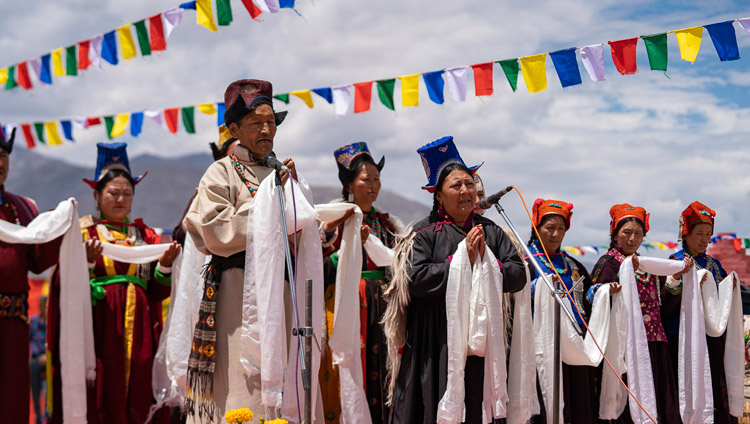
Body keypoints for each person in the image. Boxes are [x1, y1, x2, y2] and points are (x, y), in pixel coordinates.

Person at [185, 78, 310, 423]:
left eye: (271, 121)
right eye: (256, 122)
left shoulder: (282, 173)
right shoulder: (220, 173)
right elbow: (215, 232)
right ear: (234, 129)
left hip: (282, 293)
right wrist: (272, 204)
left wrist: (297, 201)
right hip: (238, 293)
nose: (266, 128)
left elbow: (300, 234)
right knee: (244, 387)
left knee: (281, 386)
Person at [383, 136, 527, 424]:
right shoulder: (423, 234)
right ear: (438, 195)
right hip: (434, 339)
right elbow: (415, 279)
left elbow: (518, 275)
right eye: (456, 185)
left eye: (469, 184)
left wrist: (488, 262)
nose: (465, 191)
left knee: (475, 404)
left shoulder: (492, 232)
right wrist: (461, 261)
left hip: (479, 339)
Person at [47, 142, 181, 423]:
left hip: (142, 332)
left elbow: (157, 292)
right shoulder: (82, 234)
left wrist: (165, 265)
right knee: (103, 387)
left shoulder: (147, 238)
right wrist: (87, 263)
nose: (121, 199)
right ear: (96, 195)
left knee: (141, 385)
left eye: (127, 194)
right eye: (113, 193)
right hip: (99, 328)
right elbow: (63, 283)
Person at [318, 142, 403, 424]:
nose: (374, 186)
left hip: (384, 310)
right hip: (346, 309)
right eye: (366, 179)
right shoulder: (333, 222)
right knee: (351, 377)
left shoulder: (389, 224)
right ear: (350, 183)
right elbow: (318, 271)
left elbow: (398, 267)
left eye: (377, 179)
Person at [589, 204, 687, 424]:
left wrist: (675, 278)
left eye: (638, 234)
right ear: (614, 233)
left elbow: (664, 307)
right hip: (625, 347)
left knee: (657, 401)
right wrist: (607, 292)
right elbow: (595, 304)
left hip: (654, 345)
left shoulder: (647, 266)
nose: (632, 239)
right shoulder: (608, 264)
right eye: (627, 232)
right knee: (628, 402)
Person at [0, 125, 61, 424]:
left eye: (3, 156)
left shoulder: (23, 207)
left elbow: (36, 264)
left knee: (12, 398)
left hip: (15, 322)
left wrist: (54, 227)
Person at [662, 201, 739, 423]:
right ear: (685, 234)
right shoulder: (674, 263)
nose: (704, 239)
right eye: (699, 234)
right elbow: (664, 305)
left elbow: (722, 304)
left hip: (712, 342)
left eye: (708, 234)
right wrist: (677, 280)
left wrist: (729, 290)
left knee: (715, 392)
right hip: (682, 342)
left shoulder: (715, 266)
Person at [526, 199, 597, 424]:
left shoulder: (573, 265)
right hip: (541, 345)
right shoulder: (526, 263)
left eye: (561, 229)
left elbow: (587, 300)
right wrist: (537, 289)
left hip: (575, 344)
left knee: (579, 403)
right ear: (536, 228)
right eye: (549, 228)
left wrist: (600, 293)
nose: (555, 234)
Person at [173, 124, 239, 246]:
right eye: (236, 156)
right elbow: (179, 237)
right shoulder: (205, 192)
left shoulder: (262, 186)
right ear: (220, 160)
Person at [30, 294, 48, 424]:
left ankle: (48, 417)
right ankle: (38, 418)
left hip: (48, 360)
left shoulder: (52, 322)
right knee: (35, 392)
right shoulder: (33, 322)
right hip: (35, 360)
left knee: (48, 391)